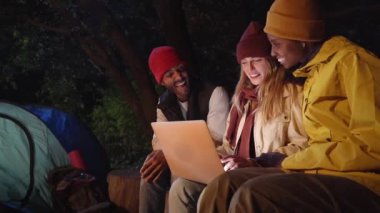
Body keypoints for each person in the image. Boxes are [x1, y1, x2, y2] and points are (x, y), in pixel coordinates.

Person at [197, 0, 380, 212]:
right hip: (318, 170)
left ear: (302, 39)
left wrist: (288, 160)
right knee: (223, 185)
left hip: (358, 180)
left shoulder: (354, 62)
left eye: (276, 43)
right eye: (245, 63)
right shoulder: (313, 74)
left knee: (252, 195)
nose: (272, 53)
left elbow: (373, 145)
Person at [168, 21, 308, 212]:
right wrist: (215, 157)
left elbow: (303, 145)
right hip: (236, 171)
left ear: (271, 60)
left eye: (256, 60)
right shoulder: (242, 100)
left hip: (267, 172)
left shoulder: (293, 95)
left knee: (219, 191)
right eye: (244, 63)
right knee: (182, 186)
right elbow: (229, 146)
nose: (250, 69)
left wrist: (256, 161)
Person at [138, 46, 230, 213]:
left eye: (181, 69)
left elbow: (217, 137)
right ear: (162, 81)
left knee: (179, 175)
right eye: (170, 74)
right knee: (149, 172)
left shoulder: (214, 93)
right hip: (183, 159)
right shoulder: (164, 102)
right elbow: (158, 140)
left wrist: (170, 151)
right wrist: (165, 152)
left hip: (215, 162)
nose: (179, 76)